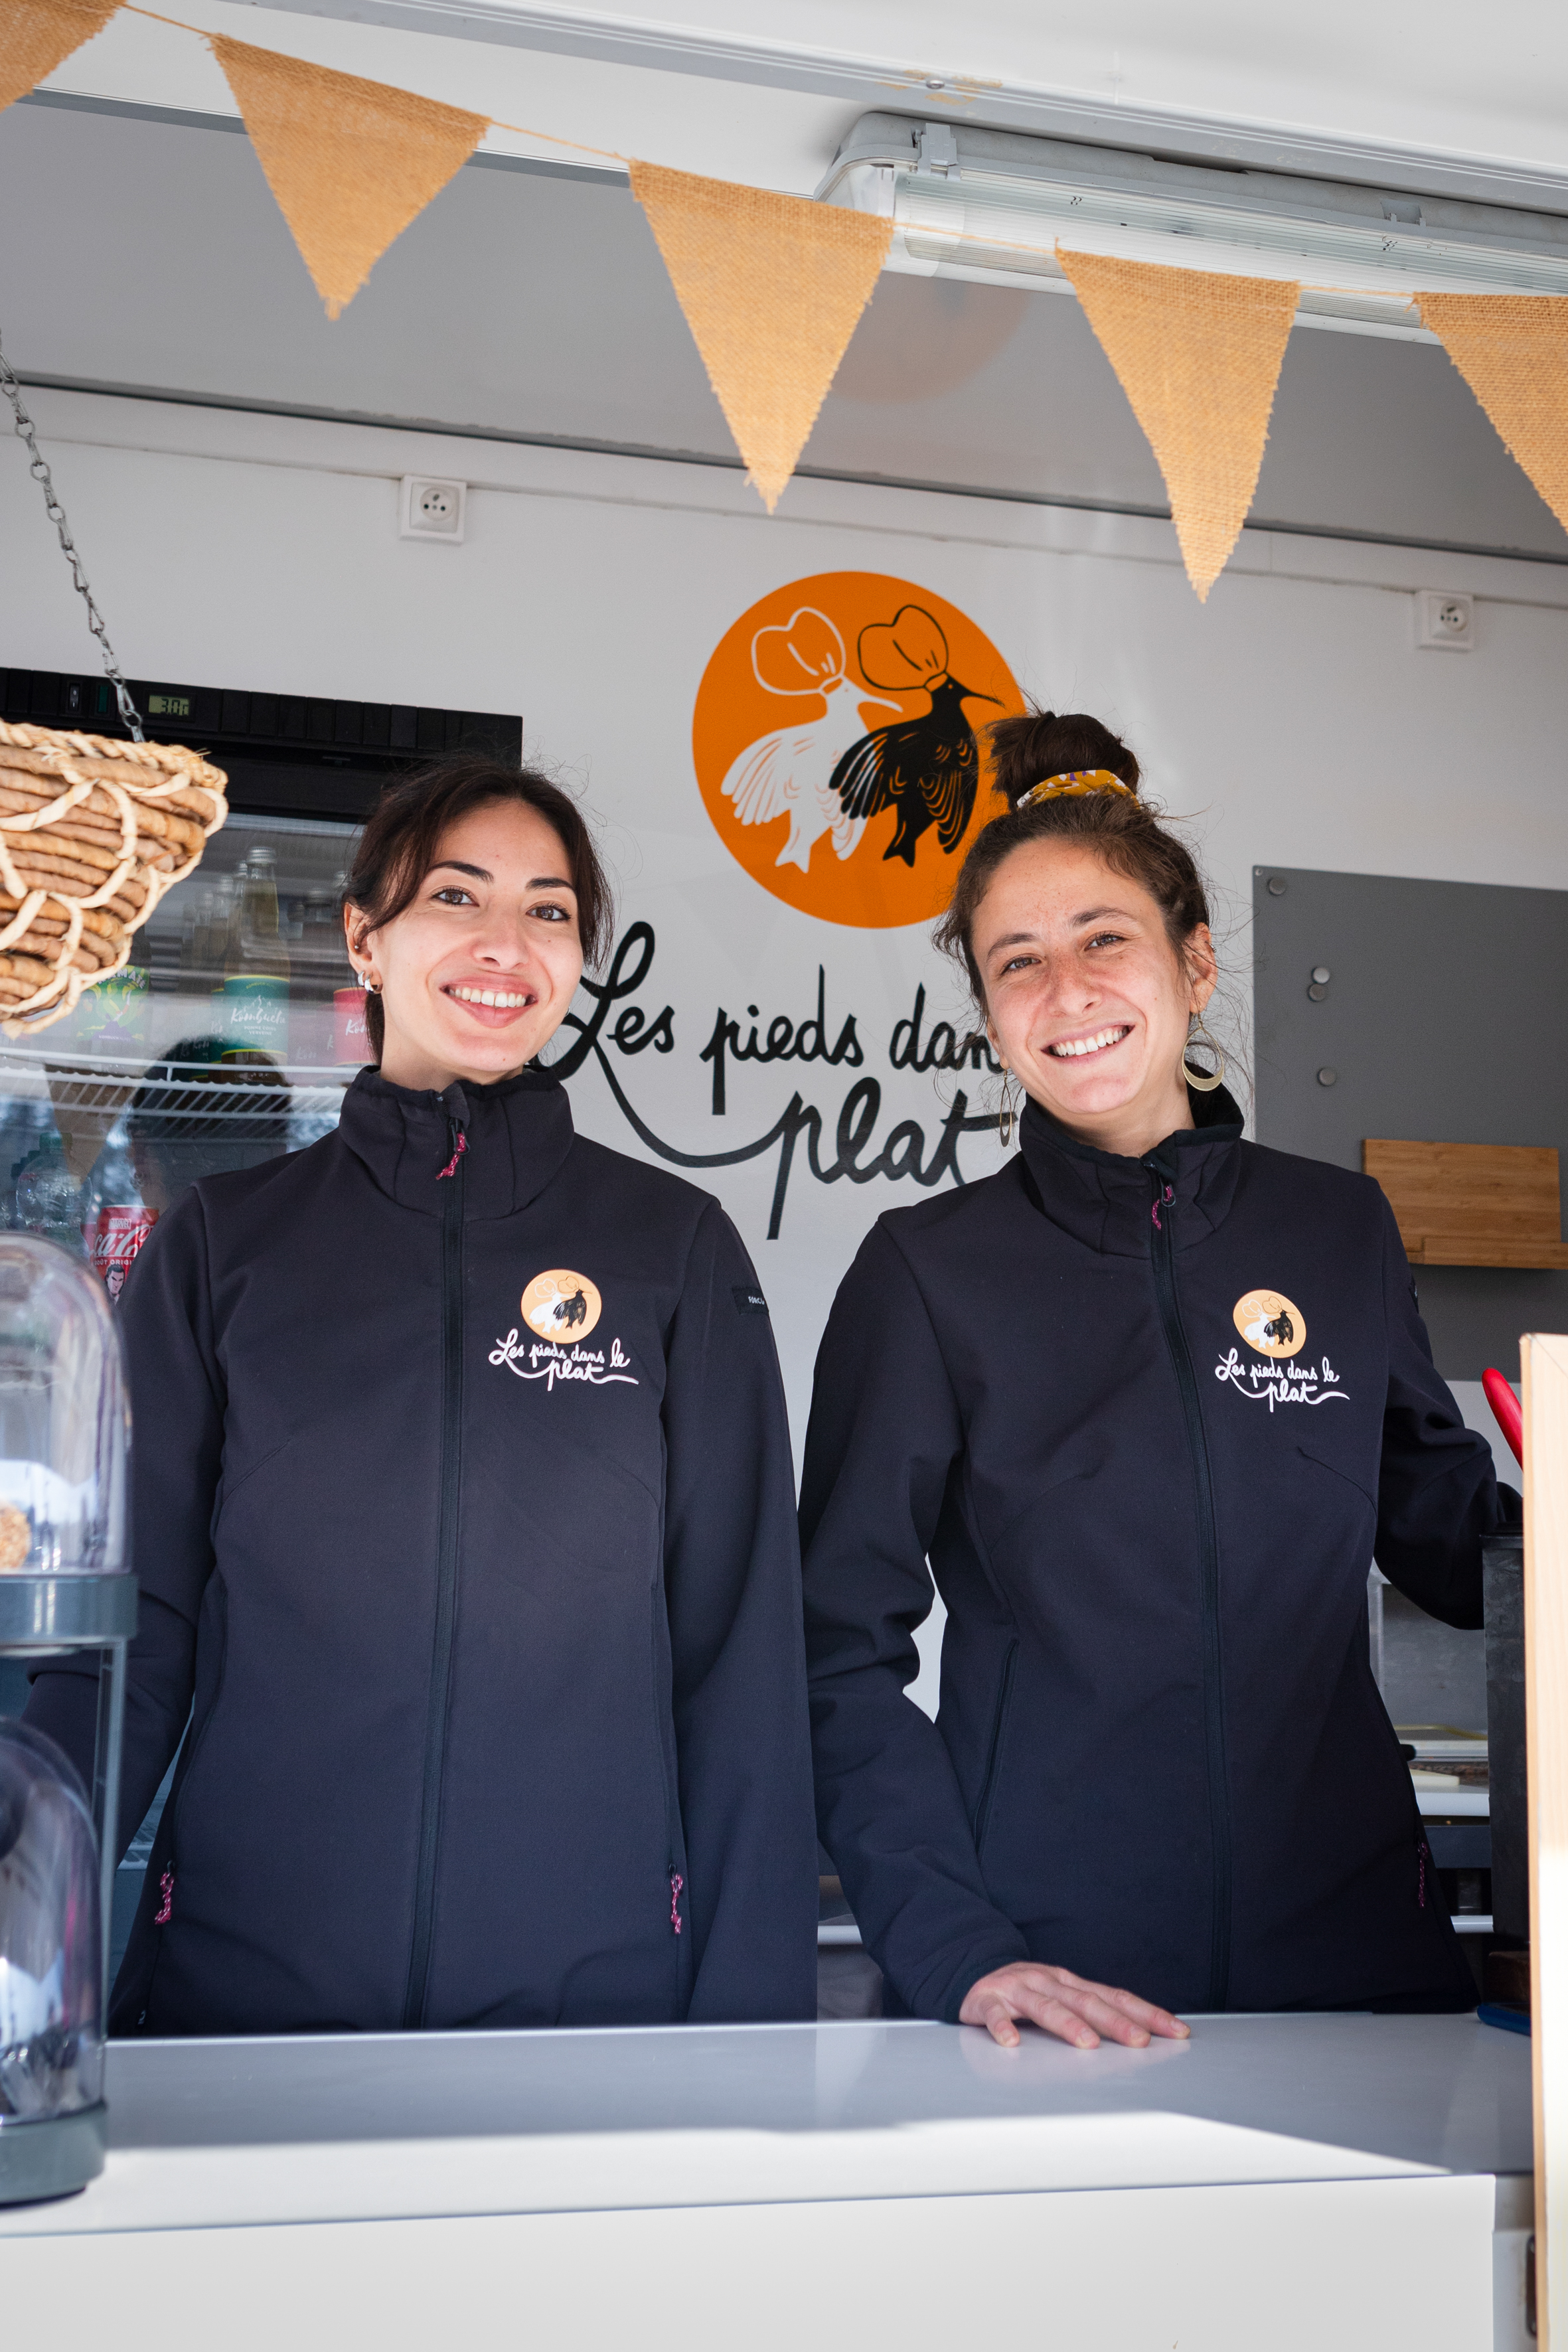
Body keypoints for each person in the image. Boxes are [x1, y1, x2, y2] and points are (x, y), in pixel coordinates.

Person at [28, 754, 817, 2035]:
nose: (506, 943)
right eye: (457, 897)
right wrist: (23, 1892)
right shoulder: (231, 1244)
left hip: (593, 1997)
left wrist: (753, 2031)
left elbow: (740, 1665)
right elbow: (135, 1634)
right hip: (249, 1990)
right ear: (365, 938)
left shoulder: (672, 1248)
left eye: (550, 911)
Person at [800, 710, 1512, 2049]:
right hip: (1050, 1974)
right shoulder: (926, 1272)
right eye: (1017, 961)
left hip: (1353, 1948)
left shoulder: (1335, 1230)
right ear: (988, 1010)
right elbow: (829, 1646)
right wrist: (956, 1944)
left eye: (1101, 939)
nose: (1063, 992)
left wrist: (1540, 1537)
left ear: (1191, 962)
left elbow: (1443, 1539)